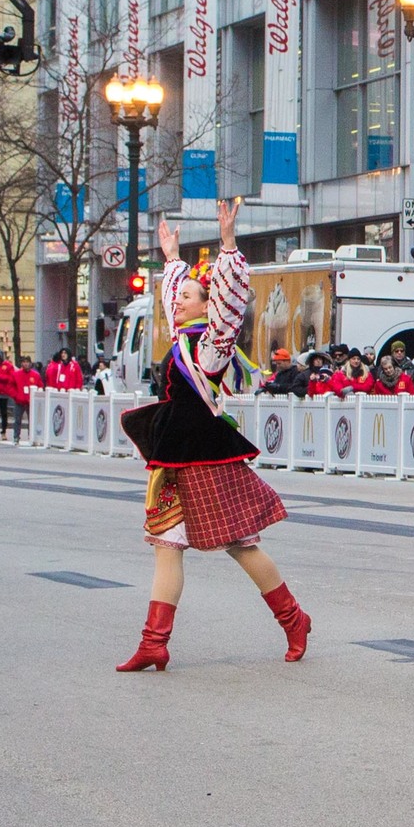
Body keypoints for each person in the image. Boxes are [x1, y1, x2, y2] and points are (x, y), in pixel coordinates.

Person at [113, 204, 312, 673]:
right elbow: (170, 302)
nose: (177, 300)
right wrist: (172, 258)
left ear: (207, 305)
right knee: (167, 544)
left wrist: (227, 244)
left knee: (241, 544)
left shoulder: (212, 343)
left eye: (187, 296)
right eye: (176, 296)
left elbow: (230, 302)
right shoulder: (182, 338)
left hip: (203, 455)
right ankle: (154, 642)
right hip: (172, 457)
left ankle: (293, 619)